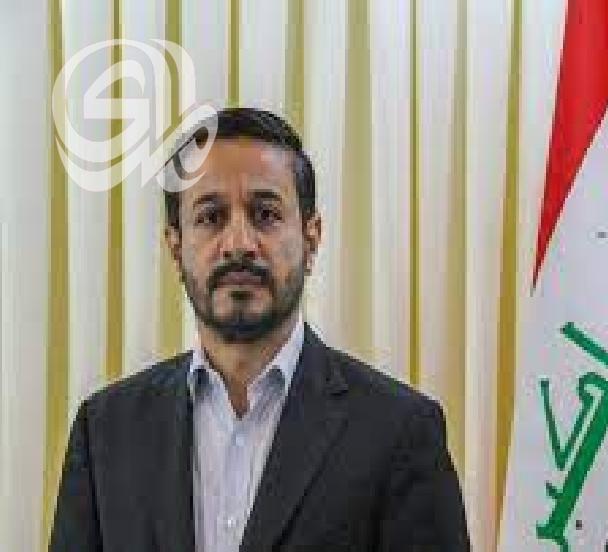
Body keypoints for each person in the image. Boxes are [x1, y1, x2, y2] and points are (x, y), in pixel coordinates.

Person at [49, 107, 471, 551]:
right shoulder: (105, 434)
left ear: (311, 238)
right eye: (211, 217)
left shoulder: (399, 432)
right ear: (175, 247)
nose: (239, 243)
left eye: (265, 214)